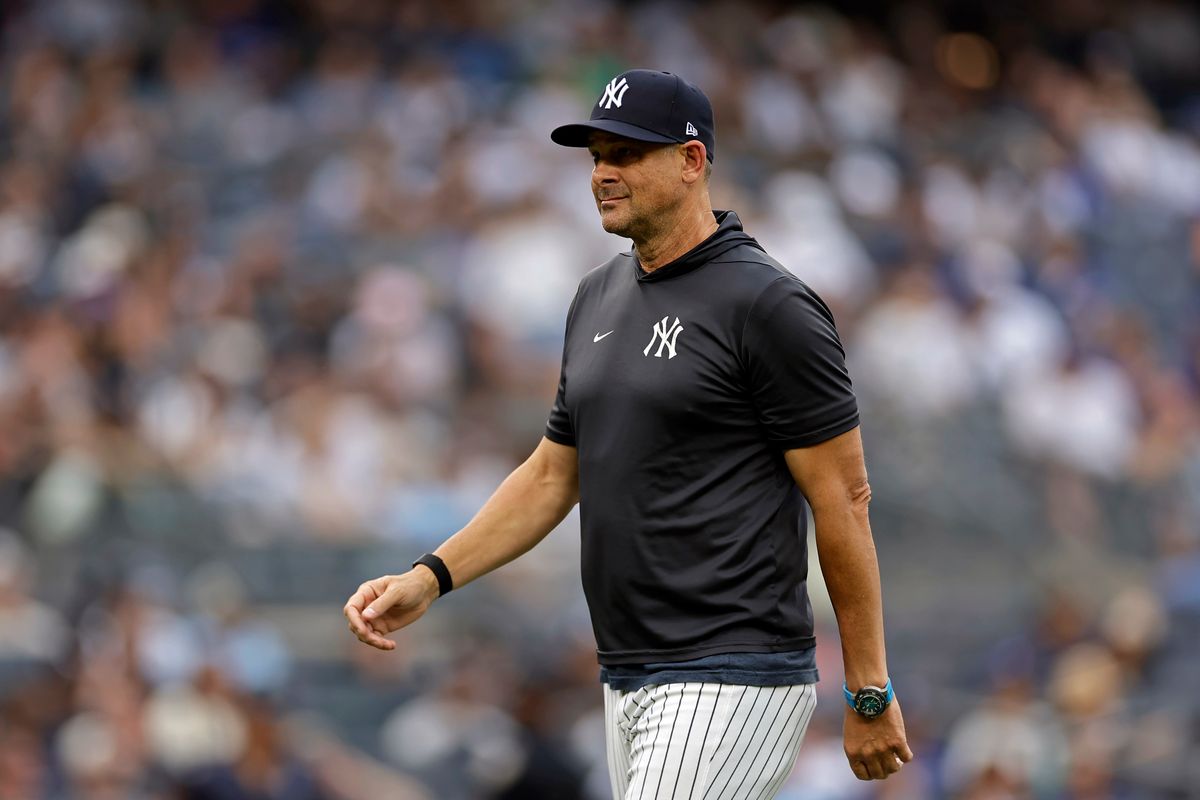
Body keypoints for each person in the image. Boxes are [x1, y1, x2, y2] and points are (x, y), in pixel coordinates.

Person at [345, 68, 913, 798]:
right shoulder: (596, 295)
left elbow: (844, 498)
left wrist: (867, 689)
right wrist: (430, 577)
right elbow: (553, 475)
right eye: (597, 157)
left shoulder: (767, 304)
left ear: (692, 160)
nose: (603, 174)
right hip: (627, 671)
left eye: (628, 154)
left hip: (736, 669)